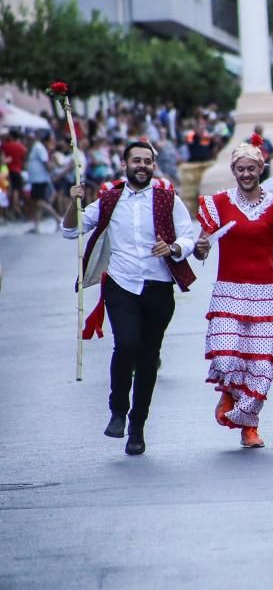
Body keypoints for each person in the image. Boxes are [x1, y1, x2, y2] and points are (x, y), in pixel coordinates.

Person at [61, 140, 196, 455]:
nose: (142, 166)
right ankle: (118, 408)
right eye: (136, 160)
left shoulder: (167, 199)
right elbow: (70, 231)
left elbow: (187, 236)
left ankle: (138, 426)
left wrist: (173, 248)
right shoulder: (109, 199)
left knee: (149, 358)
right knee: (127, 344)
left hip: (158, 286)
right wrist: (74, 203)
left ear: (153, 165)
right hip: (121, 284)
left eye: (147, 161)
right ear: (124, 165)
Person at [195, 142, 273, 449]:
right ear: (233, 171)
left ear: (260, 169)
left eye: (251, 168)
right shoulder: (218, 204)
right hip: (228, 292)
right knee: (227, 356)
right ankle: (228, 392)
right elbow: (203, 243)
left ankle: (249, 425)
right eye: (240, 169)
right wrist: (201, 248)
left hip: (265, 294)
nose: (246, 174)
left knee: (262, 366)